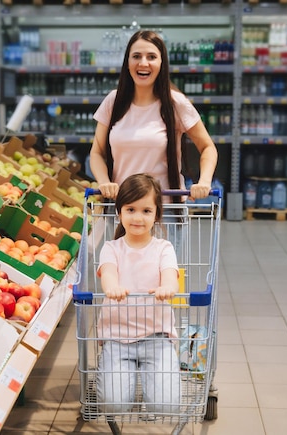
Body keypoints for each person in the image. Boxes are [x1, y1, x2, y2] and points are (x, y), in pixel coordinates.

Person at [89, 29, 218, 202]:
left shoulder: (176, 104)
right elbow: (97, 153)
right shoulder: (113, 101)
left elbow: (208, 147)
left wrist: (204, 182)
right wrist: (104, 182)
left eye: (151, 57)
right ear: (127, 62)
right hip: (122, 209)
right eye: (136, 56)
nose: (143, 63)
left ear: (161, 63)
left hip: (164, 210)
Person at [95, 173, 181, 415]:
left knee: (165, 407)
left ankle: (149, 385)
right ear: (119, 212)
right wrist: (112, 287)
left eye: (146, 211)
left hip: (157, 337)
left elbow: (171, 278)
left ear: (156, 215)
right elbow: (109, 274)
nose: (137, 217)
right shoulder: (111, 248)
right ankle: (125, 382)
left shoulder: (164, 248)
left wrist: (167, 289)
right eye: (131, 209)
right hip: (117, 338)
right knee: (113, 406)